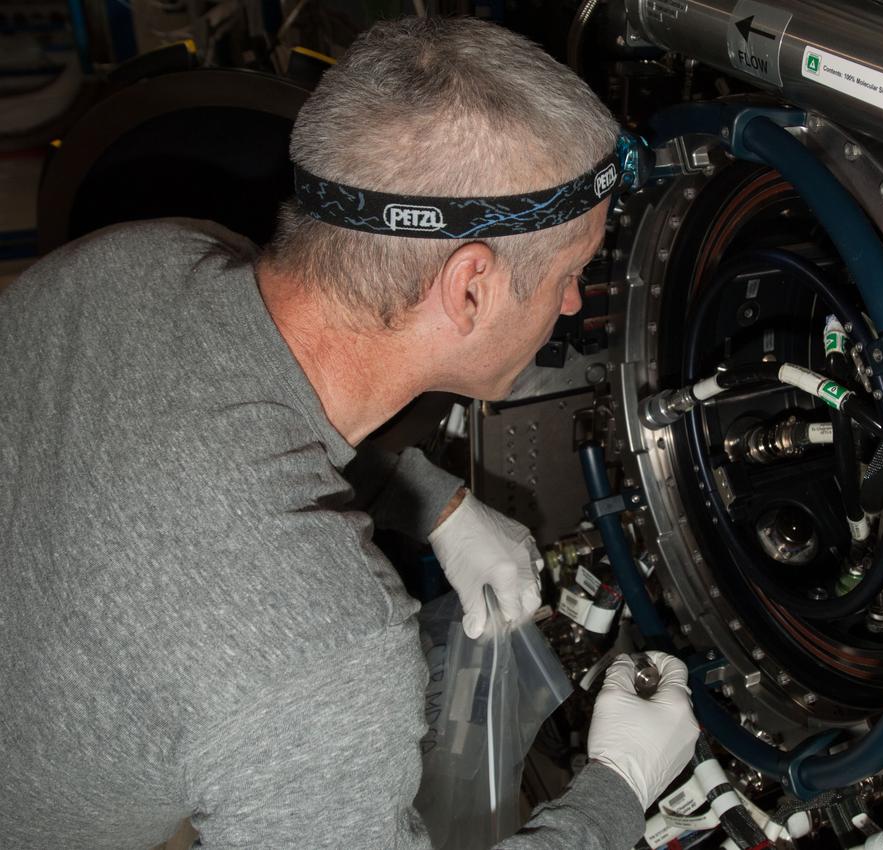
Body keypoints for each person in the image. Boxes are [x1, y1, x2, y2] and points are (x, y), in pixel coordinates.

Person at [0, 17, 699, 850]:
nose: (573, 306)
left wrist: (439, 506)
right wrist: (619, 786)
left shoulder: (140, 258)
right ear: (469, 286)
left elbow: (205, 418)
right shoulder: (321, 651)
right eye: (569, 274)